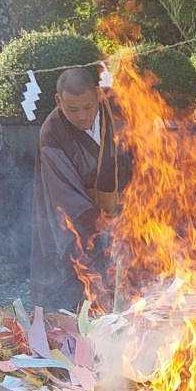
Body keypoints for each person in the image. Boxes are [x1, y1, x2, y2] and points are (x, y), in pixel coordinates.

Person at [30, 66, 131, 310]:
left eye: (88, 107)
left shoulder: (119, 109)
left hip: (128, 209)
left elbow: (142, 154)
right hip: (82, 222)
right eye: (72, 110)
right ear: (58, 101)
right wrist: (104, 228)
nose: (82, 116)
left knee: (136, 286)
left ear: (98, 94)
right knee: (86, 290)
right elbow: (66, 194)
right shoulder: (52, 133)